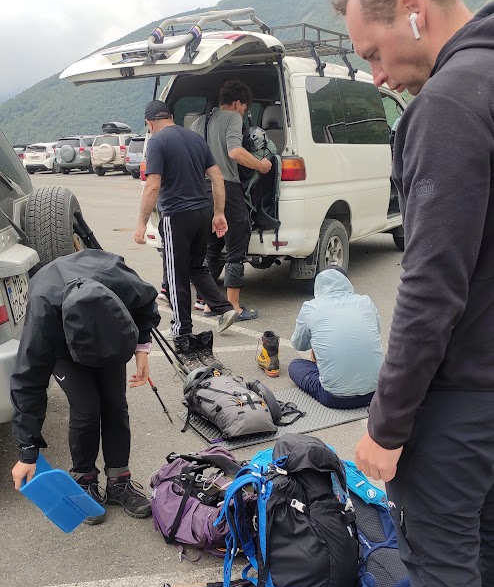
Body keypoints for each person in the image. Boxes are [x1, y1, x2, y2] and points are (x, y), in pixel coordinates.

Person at [333, 0, 494, 587]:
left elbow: (431, 288)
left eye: (372, 51)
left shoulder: (450, 105)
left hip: (463, 387)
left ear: (413, 10)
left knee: (440, 553)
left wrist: (387, 426)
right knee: (486, 532)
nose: (374, 73)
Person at [11, 243, 161, 522]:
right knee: (87, 409)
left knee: (115, 405)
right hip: (65, 346)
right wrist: (27, 451)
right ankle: (84, 480)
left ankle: (119, 482)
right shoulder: (44, 313)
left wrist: (142, 348)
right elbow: (27, 382)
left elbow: (145, 304)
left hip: (109, 333)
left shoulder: (119, 281)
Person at [134, 99, 238, 369]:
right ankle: (225, 308)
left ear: (149, 122)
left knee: (176, 273)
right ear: (170, 116)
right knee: (195, 267)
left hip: (176, 215)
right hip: (202, 212)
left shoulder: (157, 142)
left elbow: (152, 185)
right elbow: (217, 177)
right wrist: (219, 213)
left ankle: (181, 329)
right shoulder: (194, 138)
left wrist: (142, 223)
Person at [190, 80, 272, 322]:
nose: (244, 113)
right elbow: (235, 151)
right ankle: (234, 306)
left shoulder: (197, 122)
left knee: (211, 247)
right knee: (236, 245)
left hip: (200, 189)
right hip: (226, 187)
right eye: (244, 108)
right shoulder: (233, 118)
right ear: (237, 103)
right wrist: (260, 165)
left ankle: (208, 303)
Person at [289, 267, 383, 407]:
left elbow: (298, 345)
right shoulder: (365, 302)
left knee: (295, 366)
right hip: (376, 392)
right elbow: (376, 331)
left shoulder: (310, 307)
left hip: (335, 398)